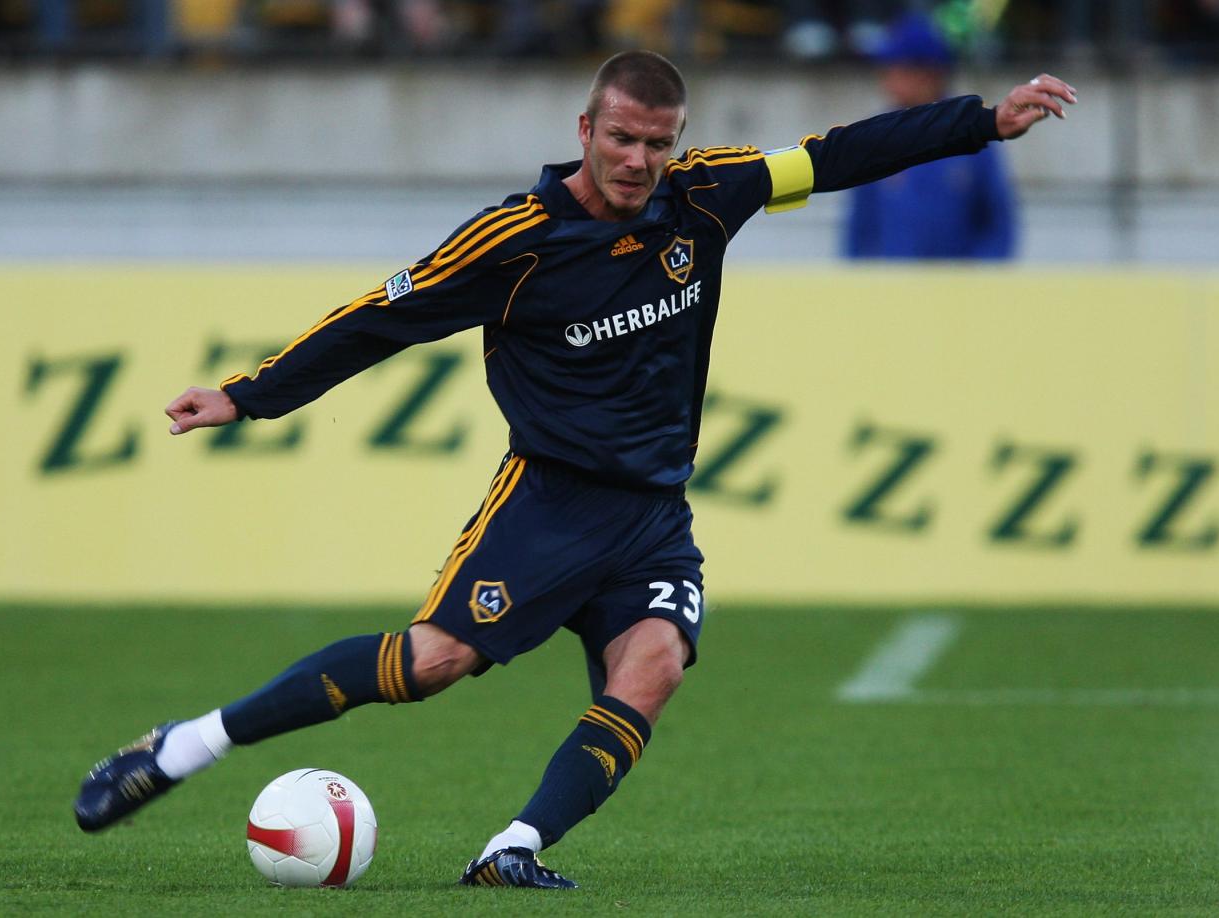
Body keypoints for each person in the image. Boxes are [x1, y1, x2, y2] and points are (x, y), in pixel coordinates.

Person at [73, 50, 1075, 888]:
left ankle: (512, 850)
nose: (641, 160)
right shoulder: (512, 241)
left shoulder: (706, 196)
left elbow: (834, 155)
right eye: (623, 137)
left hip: (650, 515)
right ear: (586, 125)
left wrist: (980, 121)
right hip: (546, 503)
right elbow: (378, 321)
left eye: (658, 141)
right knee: (433, 663)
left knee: (654, 667)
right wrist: (249, 395)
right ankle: (181, 747)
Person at [844, 12, 1019, 260]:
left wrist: (978, 285)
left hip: (958, 293)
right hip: (892, 292)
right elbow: (859, 232)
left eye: (895, 70)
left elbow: (997, 227)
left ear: (928, 74)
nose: (887, 81)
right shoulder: (873, 136)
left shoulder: (974, 135)